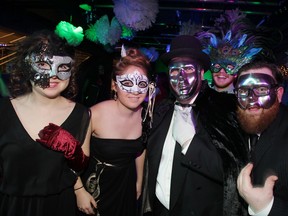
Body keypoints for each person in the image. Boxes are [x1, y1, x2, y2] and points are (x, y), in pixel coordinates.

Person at [143, 35, 248, 216]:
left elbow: (232, 172)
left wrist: (190, 144)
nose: (181, 77)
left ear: (201, 74)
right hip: (160, 209)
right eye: (175, 70)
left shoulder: (223, 109)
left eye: (189, 69)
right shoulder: (162, 109)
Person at [0, 30, 91, 216]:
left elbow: (78, 168)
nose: (53, 74)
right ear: (27, 66)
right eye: (42, 64)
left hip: (59, 205)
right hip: (11, 207)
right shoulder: (3, 111)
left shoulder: (82, 114)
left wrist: (74, 152)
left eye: (62, 67)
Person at [75, 47, 155, 216]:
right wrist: (79, 191)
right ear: (114, 85)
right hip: (96, 186)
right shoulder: (93, 115)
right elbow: (72, 158)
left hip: (126, 183)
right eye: (127, 83)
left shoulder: (145, 116)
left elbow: (140, 150)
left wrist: (139, 182)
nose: (135, 91)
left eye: (141, 84)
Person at [235, 61, 288, 216]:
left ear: (278, 94)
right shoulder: (236, 124)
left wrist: (266, 207)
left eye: (262, 89)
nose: (252, 100)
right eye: (244, 91)